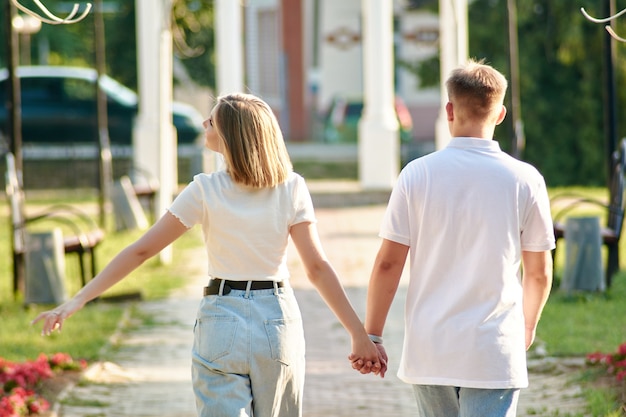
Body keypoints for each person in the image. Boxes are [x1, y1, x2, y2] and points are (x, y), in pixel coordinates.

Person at [33, 92, 383, 417]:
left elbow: (141, 251)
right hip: (277, 319)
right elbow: (317, 268)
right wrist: (358, 334)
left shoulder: (204, 189)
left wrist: (75, 301)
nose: (203, 125)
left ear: (232, 135)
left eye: (211, 121)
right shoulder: (291, 186)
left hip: (222, 316)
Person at [351, 59, 555, 416]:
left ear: (449, 109)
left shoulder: (416, 175)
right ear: (501, 114)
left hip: (431, 349)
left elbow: (388, 263)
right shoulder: (526, 179)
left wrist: (374, 334)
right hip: (493, 348)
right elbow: (538, 272)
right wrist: (527, 326)